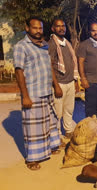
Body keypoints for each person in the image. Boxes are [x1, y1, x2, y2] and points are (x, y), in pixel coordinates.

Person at [13, 17, 61, 170]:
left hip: (46, 91)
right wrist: (25, 95)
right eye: (35, 28)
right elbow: (19, 71)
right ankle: (32, 159)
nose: (38, 31)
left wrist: (56, 85)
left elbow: (50, 67)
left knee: (49, 123)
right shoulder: (21, 46)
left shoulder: (45, 45)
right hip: (33, 93)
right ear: (27, 28)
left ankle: (50, 147)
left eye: (40, 28)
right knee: (33, 128)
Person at [48, 19, 78, 139]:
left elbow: (72, 62)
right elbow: (49, 65)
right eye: (58, 26)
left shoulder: (67, 43)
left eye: (63, 26)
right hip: (59, 83)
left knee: (69, 109)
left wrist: (75, 81)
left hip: (70, 81)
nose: (61, 28)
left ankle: (68, 130)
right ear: (53, 29)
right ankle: (57, 135)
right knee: (58, 112)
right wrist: (56, 85)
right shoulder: (51, 44)